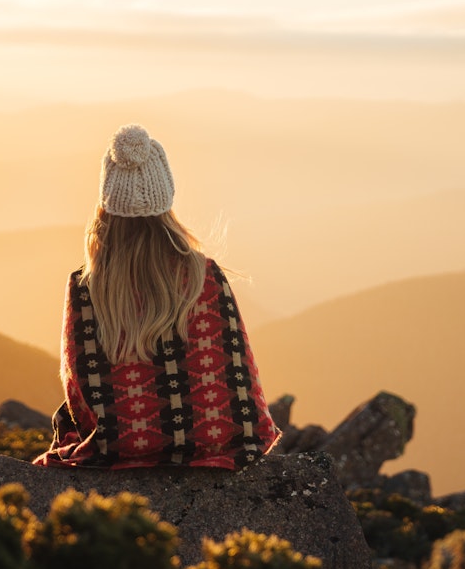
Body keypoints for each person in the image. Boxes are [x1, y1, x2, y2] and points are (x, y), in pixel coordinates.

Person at [33, 124, 281, 470]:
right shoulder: (205, 276)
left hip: (121, 446)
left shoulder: (85, 287)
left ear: (107, 204)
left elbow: (80, 389)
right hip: (213, 442)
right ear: (167, 199)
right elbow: (238, 376)